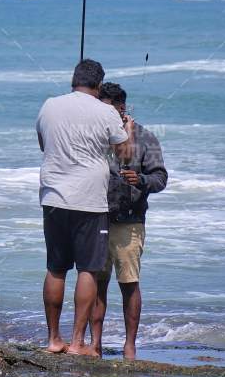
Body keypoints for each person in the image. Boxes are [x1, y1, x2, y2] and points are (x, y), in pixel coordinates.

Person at [35, 59, 132, 356]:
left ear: (73, 80)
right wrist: (126, 128)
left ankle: (53, 339)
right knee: (88, 269)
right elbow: (124, 155)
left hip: (53, 197)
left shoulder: (49, 105)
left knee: (55, 268)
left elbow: (43, 144)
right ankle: (78, 343)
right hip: (90, 200)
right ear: (99, 85)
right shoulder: (105, 111)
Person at [88, 82, 167, 360]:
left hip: (130, 220)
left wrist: (141, 180)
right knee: (96, 283)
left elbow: (161, 178)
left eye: (108, 109)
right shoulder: (94, 136)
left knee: (129, 283)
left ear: (122, 108)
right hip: (96, 218)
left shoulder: (146, 138)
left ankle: (130, 345)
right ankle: (94, 344)